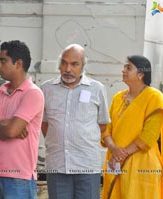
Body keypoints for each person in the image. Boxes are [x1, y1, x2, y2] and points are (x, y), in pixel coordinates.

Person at [101, 55, 163, 199]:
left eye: (128, 67)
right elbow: (106, 128)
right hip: (115, 162)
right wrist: (114, 149)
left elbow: (148, 136)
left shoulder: (154, 98)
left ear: (141, 74)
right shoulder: (118, 97)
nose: (123, 70)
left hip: (142, 165)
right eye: (124, 67)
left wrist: (120, 155)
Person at [41, 44, 110, 199]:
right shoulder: (46, 89)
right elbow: (44, 124)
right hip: (57, 165)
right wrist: (60, 139)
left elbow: (102, 124)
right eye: (64, 63)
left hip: (87, 166)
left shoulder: (96, 89)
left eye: (74, 64)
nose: (67, 69)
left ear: (83, 67)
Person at [0, 40, 44, 199]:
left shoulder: (32, 93)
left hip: (18, 176)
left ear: (18, 64)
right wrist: (3, 122)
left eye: (3, 60)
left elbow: (11, 131)